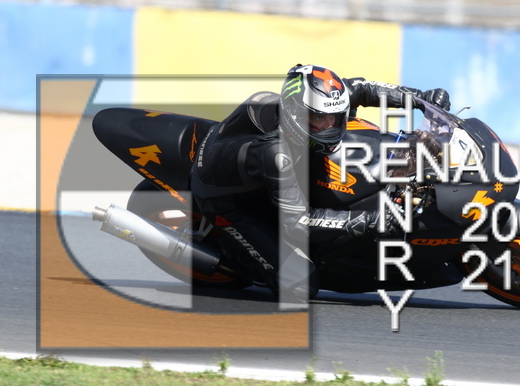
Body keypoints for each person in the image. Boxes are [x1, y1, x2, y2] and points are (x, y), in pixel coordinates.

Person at [191, 64, 450, 303]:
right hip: (228, 201)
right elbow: (298, 221)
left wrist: (419, 98)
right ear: (296, 114)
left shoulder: (315, 100)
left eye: (335, 117)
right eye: (319, 119)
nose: (329, 125)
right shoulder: (276, 154)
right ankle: (236, 255)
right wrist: (369, 220)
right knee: (302, 284)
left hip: (252, 165)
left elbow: (362, 89)